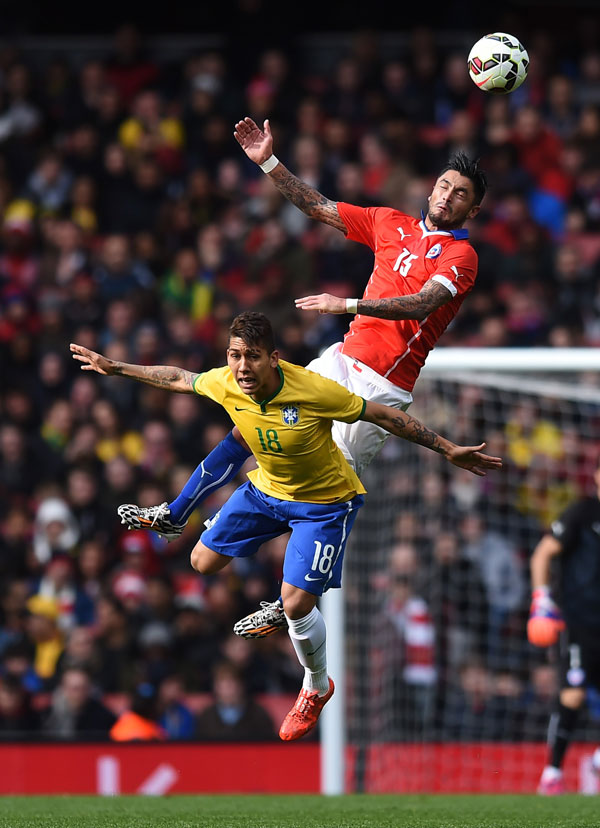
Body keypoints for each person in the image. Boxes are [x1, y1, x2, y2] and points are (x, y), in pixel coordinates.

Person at [116, 115, 488, 640]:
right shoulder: (389, 221)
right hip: (339, 358)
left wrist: (350, 303)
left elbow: (425, 301)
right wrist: (268, 161)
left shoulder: (461, 256)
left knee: (331, 485)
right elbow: (319, 207)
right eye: (445, 185)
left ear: (472, 209)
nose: (448, 196)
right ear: (433, 187)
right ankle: (177, 513)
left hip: (382, 382)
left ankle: (292, 598)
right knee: (253, 421)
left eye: (461, 194)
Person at [71, 311, 501, 740]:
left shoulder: (312, 390)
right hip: (266, 492)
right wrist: (116, 367)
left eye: (253, 357)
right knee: (201, 562)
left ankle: (316, 684)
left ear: (273, 358)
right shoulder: (225, 381)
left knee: (296, 604)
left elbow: (383, 416)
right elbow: (179, 377)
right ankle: (279, 598)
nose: (243, 367)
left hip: (324, 504)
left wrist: (447, 449)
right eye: (236, 356)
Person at [528, 459, 600, 794]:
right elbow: (543, 553)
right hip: (580, 621)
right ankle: (553, 773)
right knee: (572, 694)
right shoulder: (582, 513)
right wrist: (541, 600)